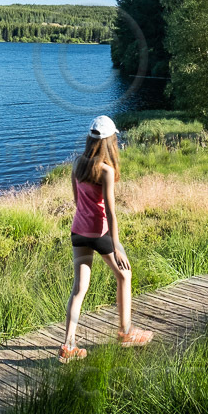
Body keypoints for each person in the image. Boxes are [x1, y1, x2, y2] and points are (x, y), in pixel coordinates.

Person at [58, 114, 152, 362]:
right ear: (110, 141)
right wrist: (117, 245)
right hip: (99, 233)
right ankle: (126, 331)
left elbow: (77, 202)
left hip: (78, 232)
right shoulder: (107, 171)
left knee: (79, 289)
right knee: (125, 275)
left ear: (90, 139)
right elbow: (110, 211)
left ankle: (68, 345)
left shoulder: (77, 163)